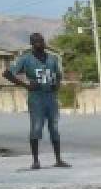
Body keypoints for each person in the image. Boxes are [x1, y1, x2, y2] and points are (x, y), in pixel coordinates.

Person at [4, 33, 69, 169]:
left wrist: (57, 85)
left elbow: (58, 74)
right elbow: (7, 73)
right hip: (36, 97)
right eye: (37, 42)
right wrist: (25, 85)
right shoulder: (25, 59)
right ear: (32, 44)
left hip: (51, 97)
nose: (40, 43)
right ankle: (35, 161)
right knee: (36, 127)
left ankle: (58, 159)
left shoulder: (52, 58)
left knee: (54, 128)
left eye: (42, 41)